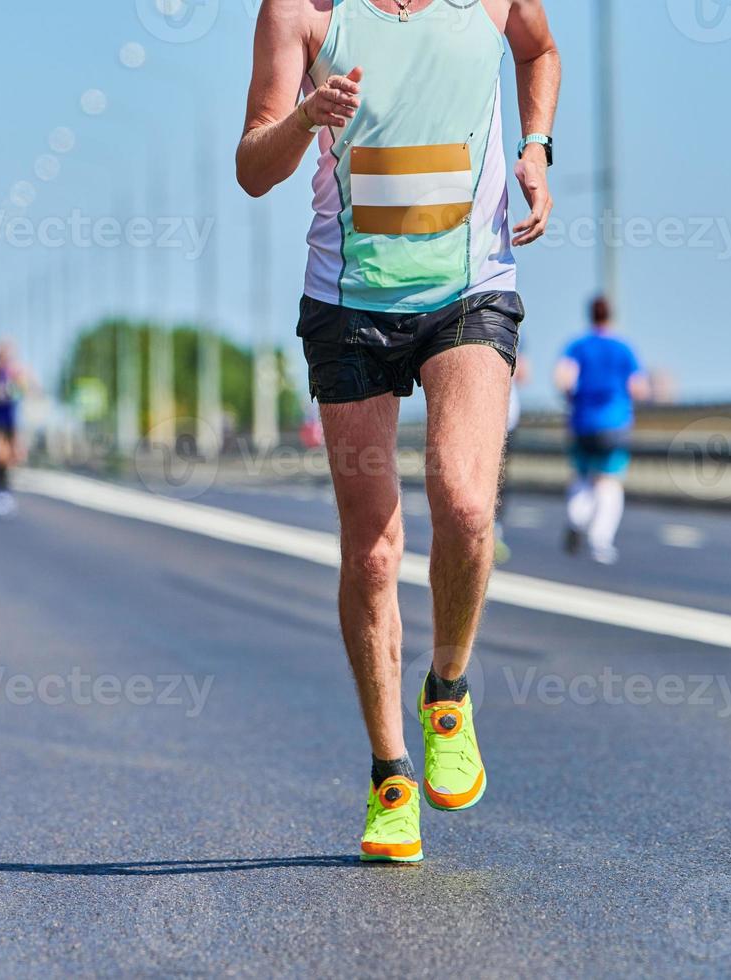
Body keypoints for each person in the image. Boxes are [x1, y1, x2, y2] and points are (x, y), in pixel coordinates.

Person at [236, 0, 560, 863]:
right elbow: (251, 168)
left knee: (465, 504)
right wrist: (308, 116)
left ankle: (446, 692)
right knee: (373, 551)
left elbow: (540, 50)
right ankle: (390, 776)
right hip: (348, 301)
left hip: (469, 289)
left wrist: (535, 148)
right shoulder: (302, 13)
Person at [554, 297, 648, 566]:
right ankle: (600, 540)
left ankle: (576, 517)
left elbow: (563, 379)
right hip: (614, 423)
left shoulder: (578, 346)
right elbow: (638, 388)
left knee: (583, 477)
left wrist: (577, 399)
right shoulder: (623, 349)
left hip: (583, 421)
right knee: (608, 482)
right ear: (612, 315)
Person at [493, 353, 531, 565]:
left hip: (505, 418)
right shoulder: (516, 333)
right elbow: (524, 375)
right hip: (506, 417)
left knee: (495, 478)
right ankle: (493, 531)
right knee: (499, 478)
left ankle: (492, 532)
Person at [0, 340, 28, 516]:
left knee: (11, 457)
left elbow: (23, 389)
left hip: (11, 420)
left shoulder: (16, 371)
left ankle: (5, 491)